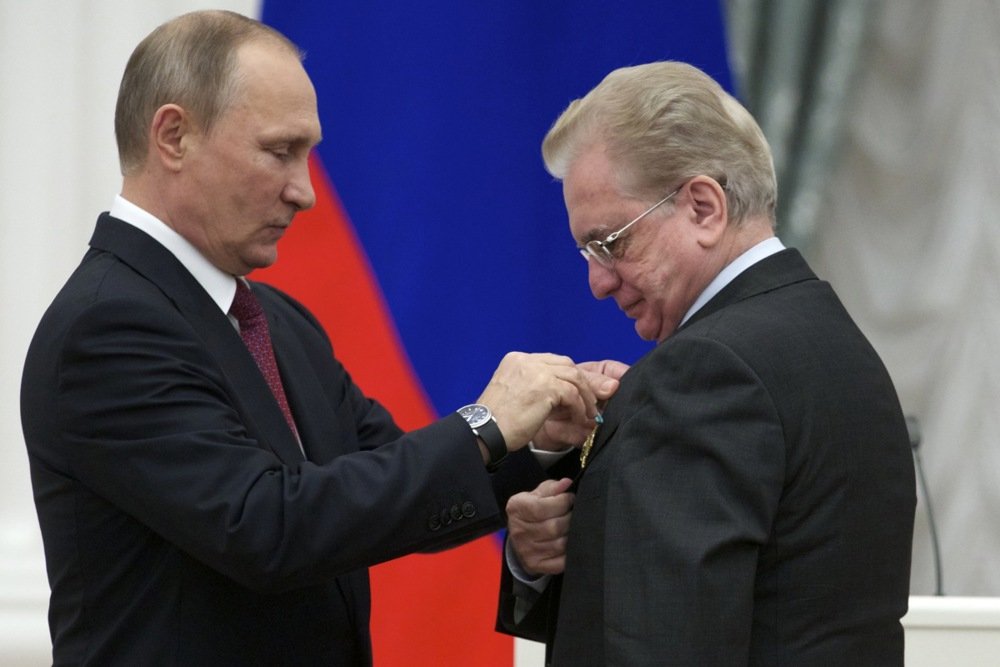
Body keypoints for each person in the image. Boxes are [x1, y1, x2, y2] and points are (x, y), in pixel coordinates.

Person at [19, 11, 622, 665]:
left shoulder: (274, 319)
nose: (304, 191)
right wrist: (484, 423)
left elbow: (385, 482)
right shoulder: (106, 328)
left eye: (308, 154)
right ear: (174, 136)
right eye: (280, 151)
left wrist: (532, 440)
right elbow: (270, 529)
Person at [496, 61, 916, 665]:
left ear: (703, 207)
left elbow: (659, 644)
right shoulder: (833, 338)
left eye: (610, 243)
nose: (595, 282)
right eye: (586, 251)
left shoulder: (702, 374)